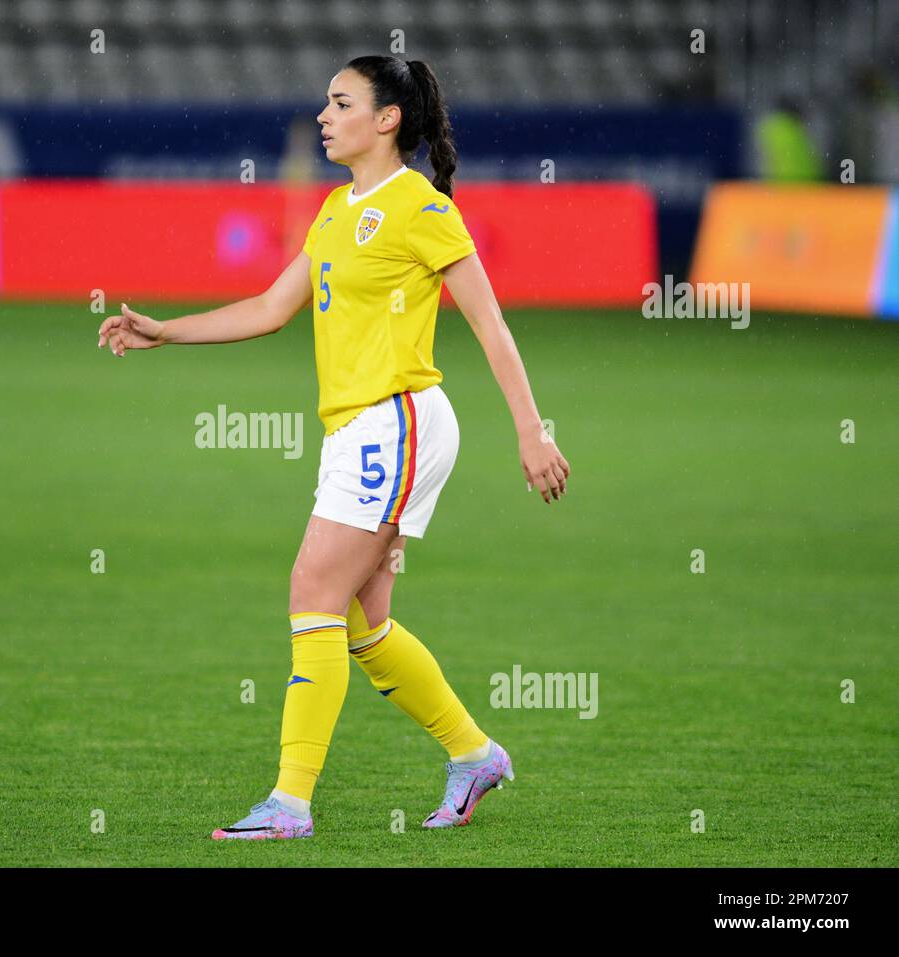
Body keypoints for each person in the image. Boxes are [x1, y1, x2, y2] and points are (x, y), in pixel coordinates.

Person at [96, 56, 570, 840]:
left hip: (397, 423)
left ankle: (289, 803)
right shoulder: (333, 209)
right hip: (356, 430)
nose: (322, 114)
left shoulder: (419, 206)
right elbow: (270, 307)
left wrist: (531, 429)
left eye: (341, 101)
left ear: (387, 120)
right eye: (325, 101)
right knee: (361, 624)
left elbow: (490, 323)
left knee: (312, 590)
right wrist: (165, 332)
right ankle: (473, 752)